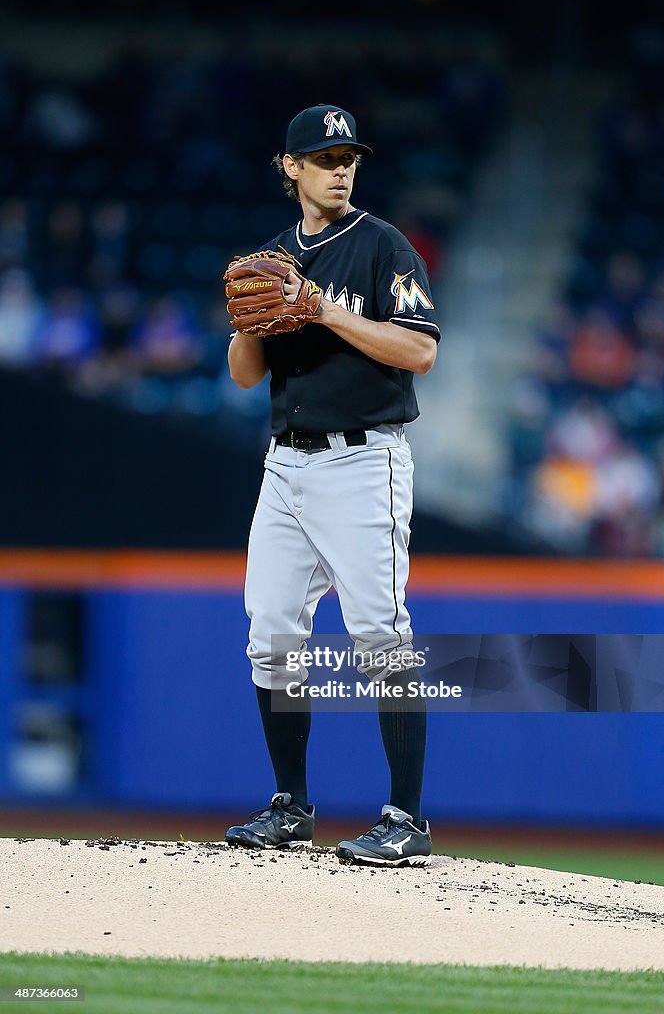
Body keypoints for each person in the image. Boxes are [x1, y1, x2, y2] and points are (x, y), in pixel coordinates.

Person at [224, 104, 440, 867]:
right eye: (322, 156)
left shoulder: (383, 247)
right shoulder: (271, 257)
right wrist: (255, 319)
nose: (339, 166)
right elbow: (245, 376)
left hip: (363, 461)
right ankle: (290, 805)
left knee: (380, 634)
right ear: (290, 168)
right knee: (271, 633)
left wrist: (320, 311)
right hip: (285, 462)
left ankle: (405, 817)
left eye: (347, 155)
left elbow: (417, 353)